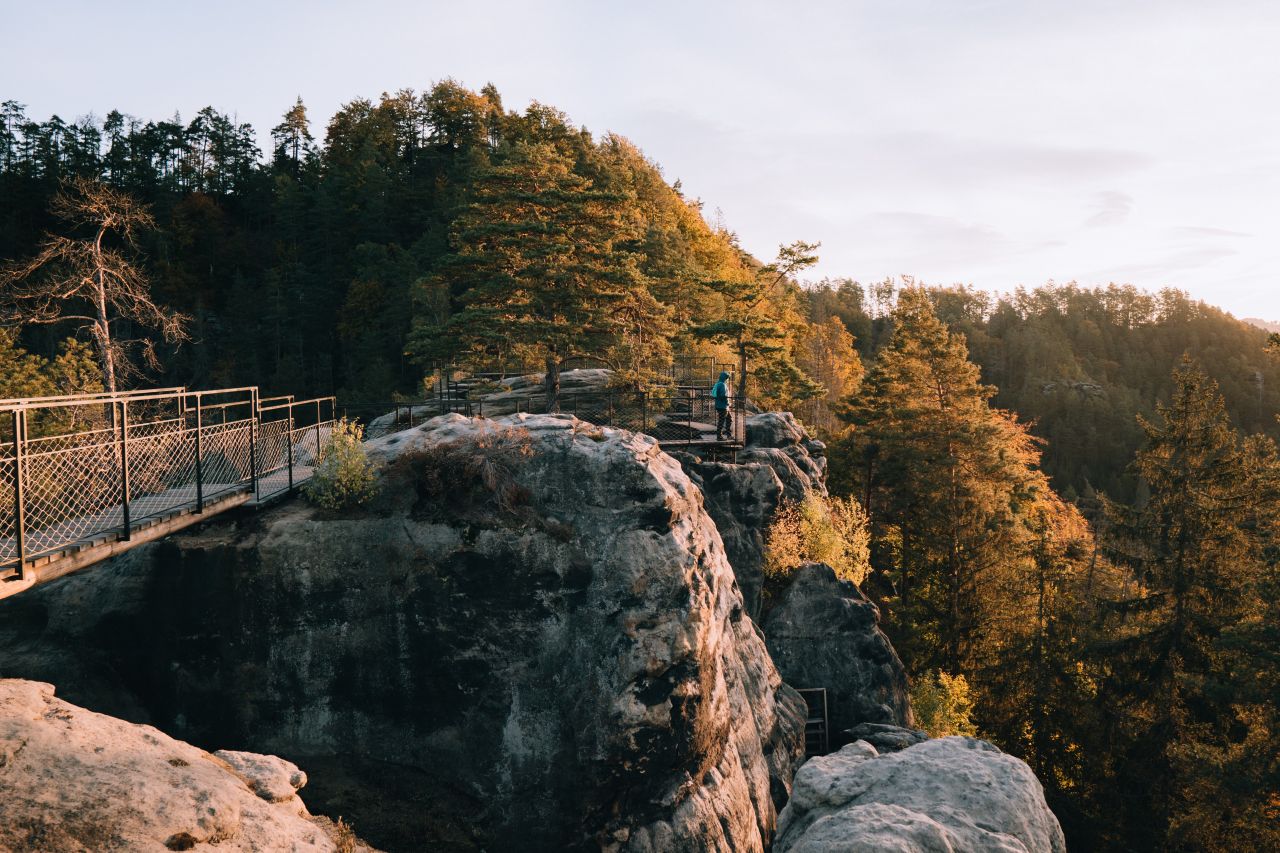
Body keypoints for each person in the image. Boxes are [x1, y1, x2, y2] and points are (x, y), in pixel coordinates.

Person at [712, 370, 731, 440]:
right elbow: (723, 395)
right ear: (725, 378)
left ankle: (728, 435)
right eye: (727, 378)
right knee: (722, 421)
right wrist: (727, 403)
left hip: (719, 405)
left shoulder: (718, 383)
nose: (728, 380)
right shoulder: (723, 385)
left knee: (729, 419)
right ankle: (719, 436)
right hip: (723, 406)